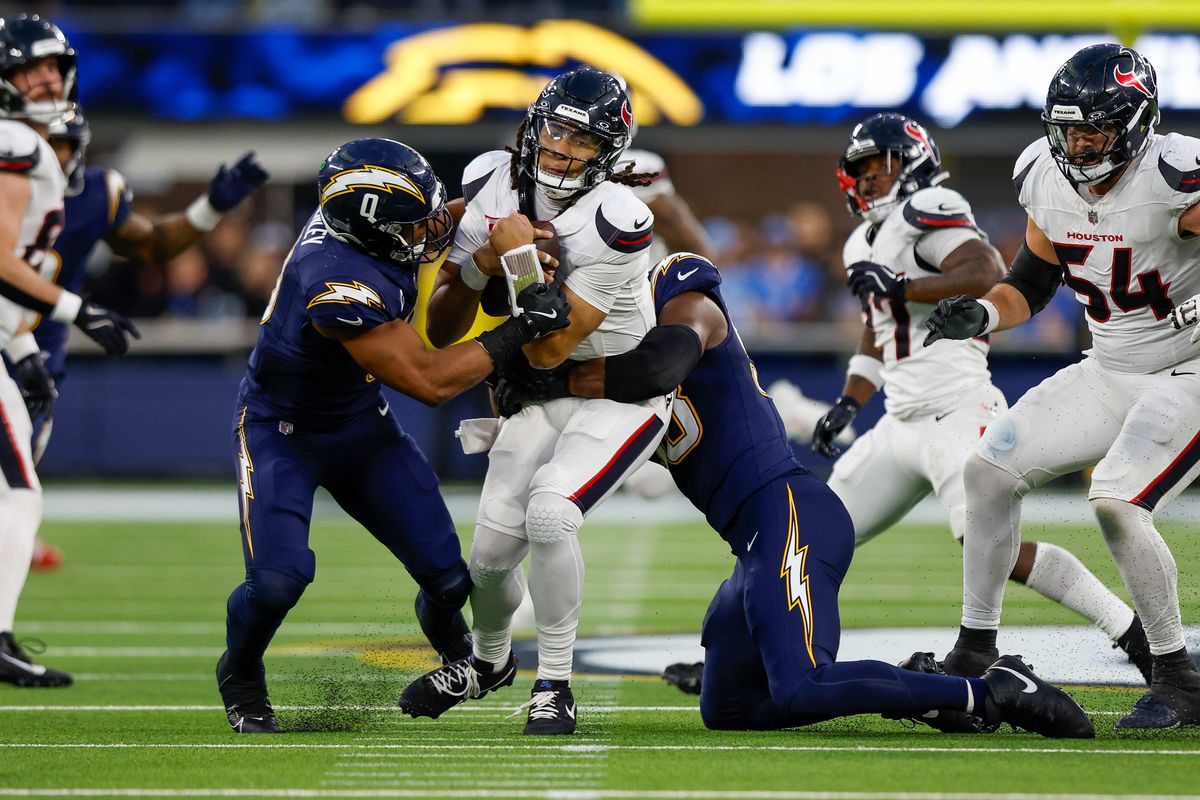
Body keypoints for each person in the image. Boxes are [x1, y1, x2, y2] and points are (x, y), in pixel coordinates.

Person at [489, 251, 1094, 739]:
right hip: (752, 546)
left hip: (789, 513)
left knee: (804, 685)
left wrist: (550, 378)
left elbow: (662, 364)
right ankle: (913, 686)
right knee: (729, 708)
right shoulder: (600, 371)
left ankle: (992, 691)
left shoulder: (671, 292)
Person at [218, 138, 569, 734]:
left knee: (449, 578)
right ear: (375, 230)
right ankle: (241, 671)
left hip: (358, 420)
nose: (433, 228)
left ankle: (463, 655)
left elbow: (447, 212)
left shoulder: (359, 218)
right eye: (417, 223)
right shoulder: (338, 280)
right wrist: (519, 329)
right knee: (278, 582)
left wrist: (501, 227)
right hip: (284, 431)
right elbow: (429, 382)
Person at [809, 113, 1150, 677]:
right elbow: (881, 325)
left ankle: (1132, 634)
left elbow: (984, 269)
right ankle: (763, 655)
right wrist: (850, 398)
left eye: (881, 165)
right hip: (899, 421)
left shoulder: (930, 209)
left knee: (999, 552)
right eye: (861, 170)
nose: (869, 179)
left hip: (958, 410)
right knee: (810, 538)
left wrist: (905, 286)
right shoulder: (858, 242)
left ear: (913, 163)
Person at [925, 44, 1200, 730]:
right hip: (1109, 367)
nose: (1079, 144)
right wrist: (984, 313)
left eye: (1094, 130)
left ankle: (1177, 675)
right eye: (1069, 129)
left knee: (1115, 502)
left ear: (1137, 126)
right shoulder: (1043, 176)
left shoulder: (1177, 176)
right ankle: (975, 651)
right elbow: (1030, 284)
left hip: (1187, 371)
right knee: (986, 473)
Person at [398, 66, 667, 736]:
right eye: (555, 128)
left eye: (582, 138)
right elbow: (442, 325)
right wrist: (478, 266)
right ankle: (488, 665)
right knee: (488, 559)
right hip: (542, 392)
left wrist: (516, 260)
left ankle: (555, 683)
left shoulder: (618, 219)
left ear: (609, 152)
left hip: (618, 388)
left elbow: (549, 345)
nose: (562, 148)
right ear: (532, 126)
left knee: (550, 514)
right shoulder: (491, 178)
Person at [15, 109, 269, 570]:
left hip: (38, 351)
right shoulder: (9, 189)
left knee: (19, 469)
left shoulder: (94, 195)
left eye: (60, 144)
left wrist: (208, 206)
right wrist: (76, 309)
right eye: (41, 142)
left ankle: (12, 540)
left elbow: (154, 244)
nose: (50, 156)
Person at [0, 13, 139, 689]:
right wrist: (77, 310)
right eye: (31, 70)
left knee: (16, 490)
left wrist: (24, 349)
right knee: (19, 492)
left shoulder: (25, 143)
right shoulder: (16, 145)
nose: (47, 80)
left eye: (53, 69)